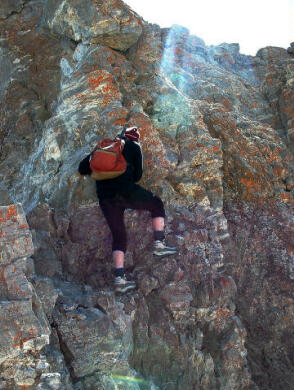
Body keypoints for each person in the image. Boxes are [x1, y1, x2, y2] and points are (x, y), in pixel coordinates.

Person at [78, 126, 177, 293]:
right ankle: (159, 243)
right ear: (136, 138)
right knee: (156, 204)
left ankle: (119, 279)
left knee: (118, 235)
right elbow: (137, 176)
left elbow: (82, 168)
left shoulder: (106, 147)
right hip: (125, 191)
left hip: (105, 197)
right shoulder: (133, 147)